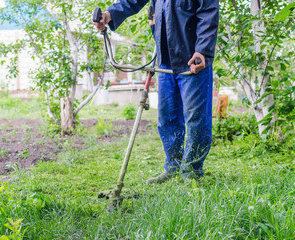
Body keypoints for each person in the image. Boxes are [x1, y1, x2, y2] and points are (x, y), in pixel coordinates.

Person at [94, 0, 219, 184]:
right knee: (167, 117)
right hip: (165, 61)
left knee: (196, 119)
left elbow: (208, 13)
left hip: (193, 62)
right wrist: (109, 14)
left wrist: (203, 50)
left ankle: (192, 172)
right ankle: (173, 167)